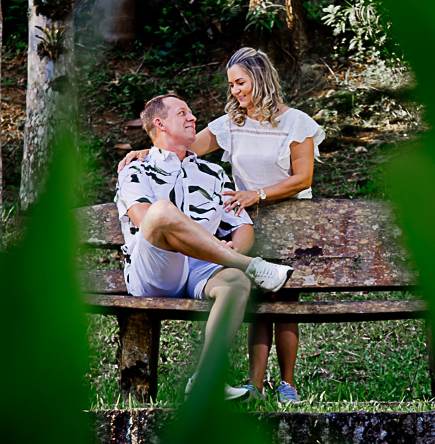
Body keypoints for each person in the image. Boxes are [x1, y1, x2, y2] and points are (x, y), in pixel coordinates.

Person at [119, 47, 324, 404]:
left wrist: (252, 204)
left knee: (266, 294)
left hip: (280, 220)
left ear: (260, 78)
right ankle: (255, 380)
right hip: (190, 246)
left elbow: (301, 179)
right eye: (231, 84)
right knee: (253, 293)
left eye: (240, 82)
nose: (234, 90)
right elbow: (179, 147)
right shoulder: (228, 125)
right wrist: (145, 150)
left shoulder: (292, 125)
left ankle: (268, 382)